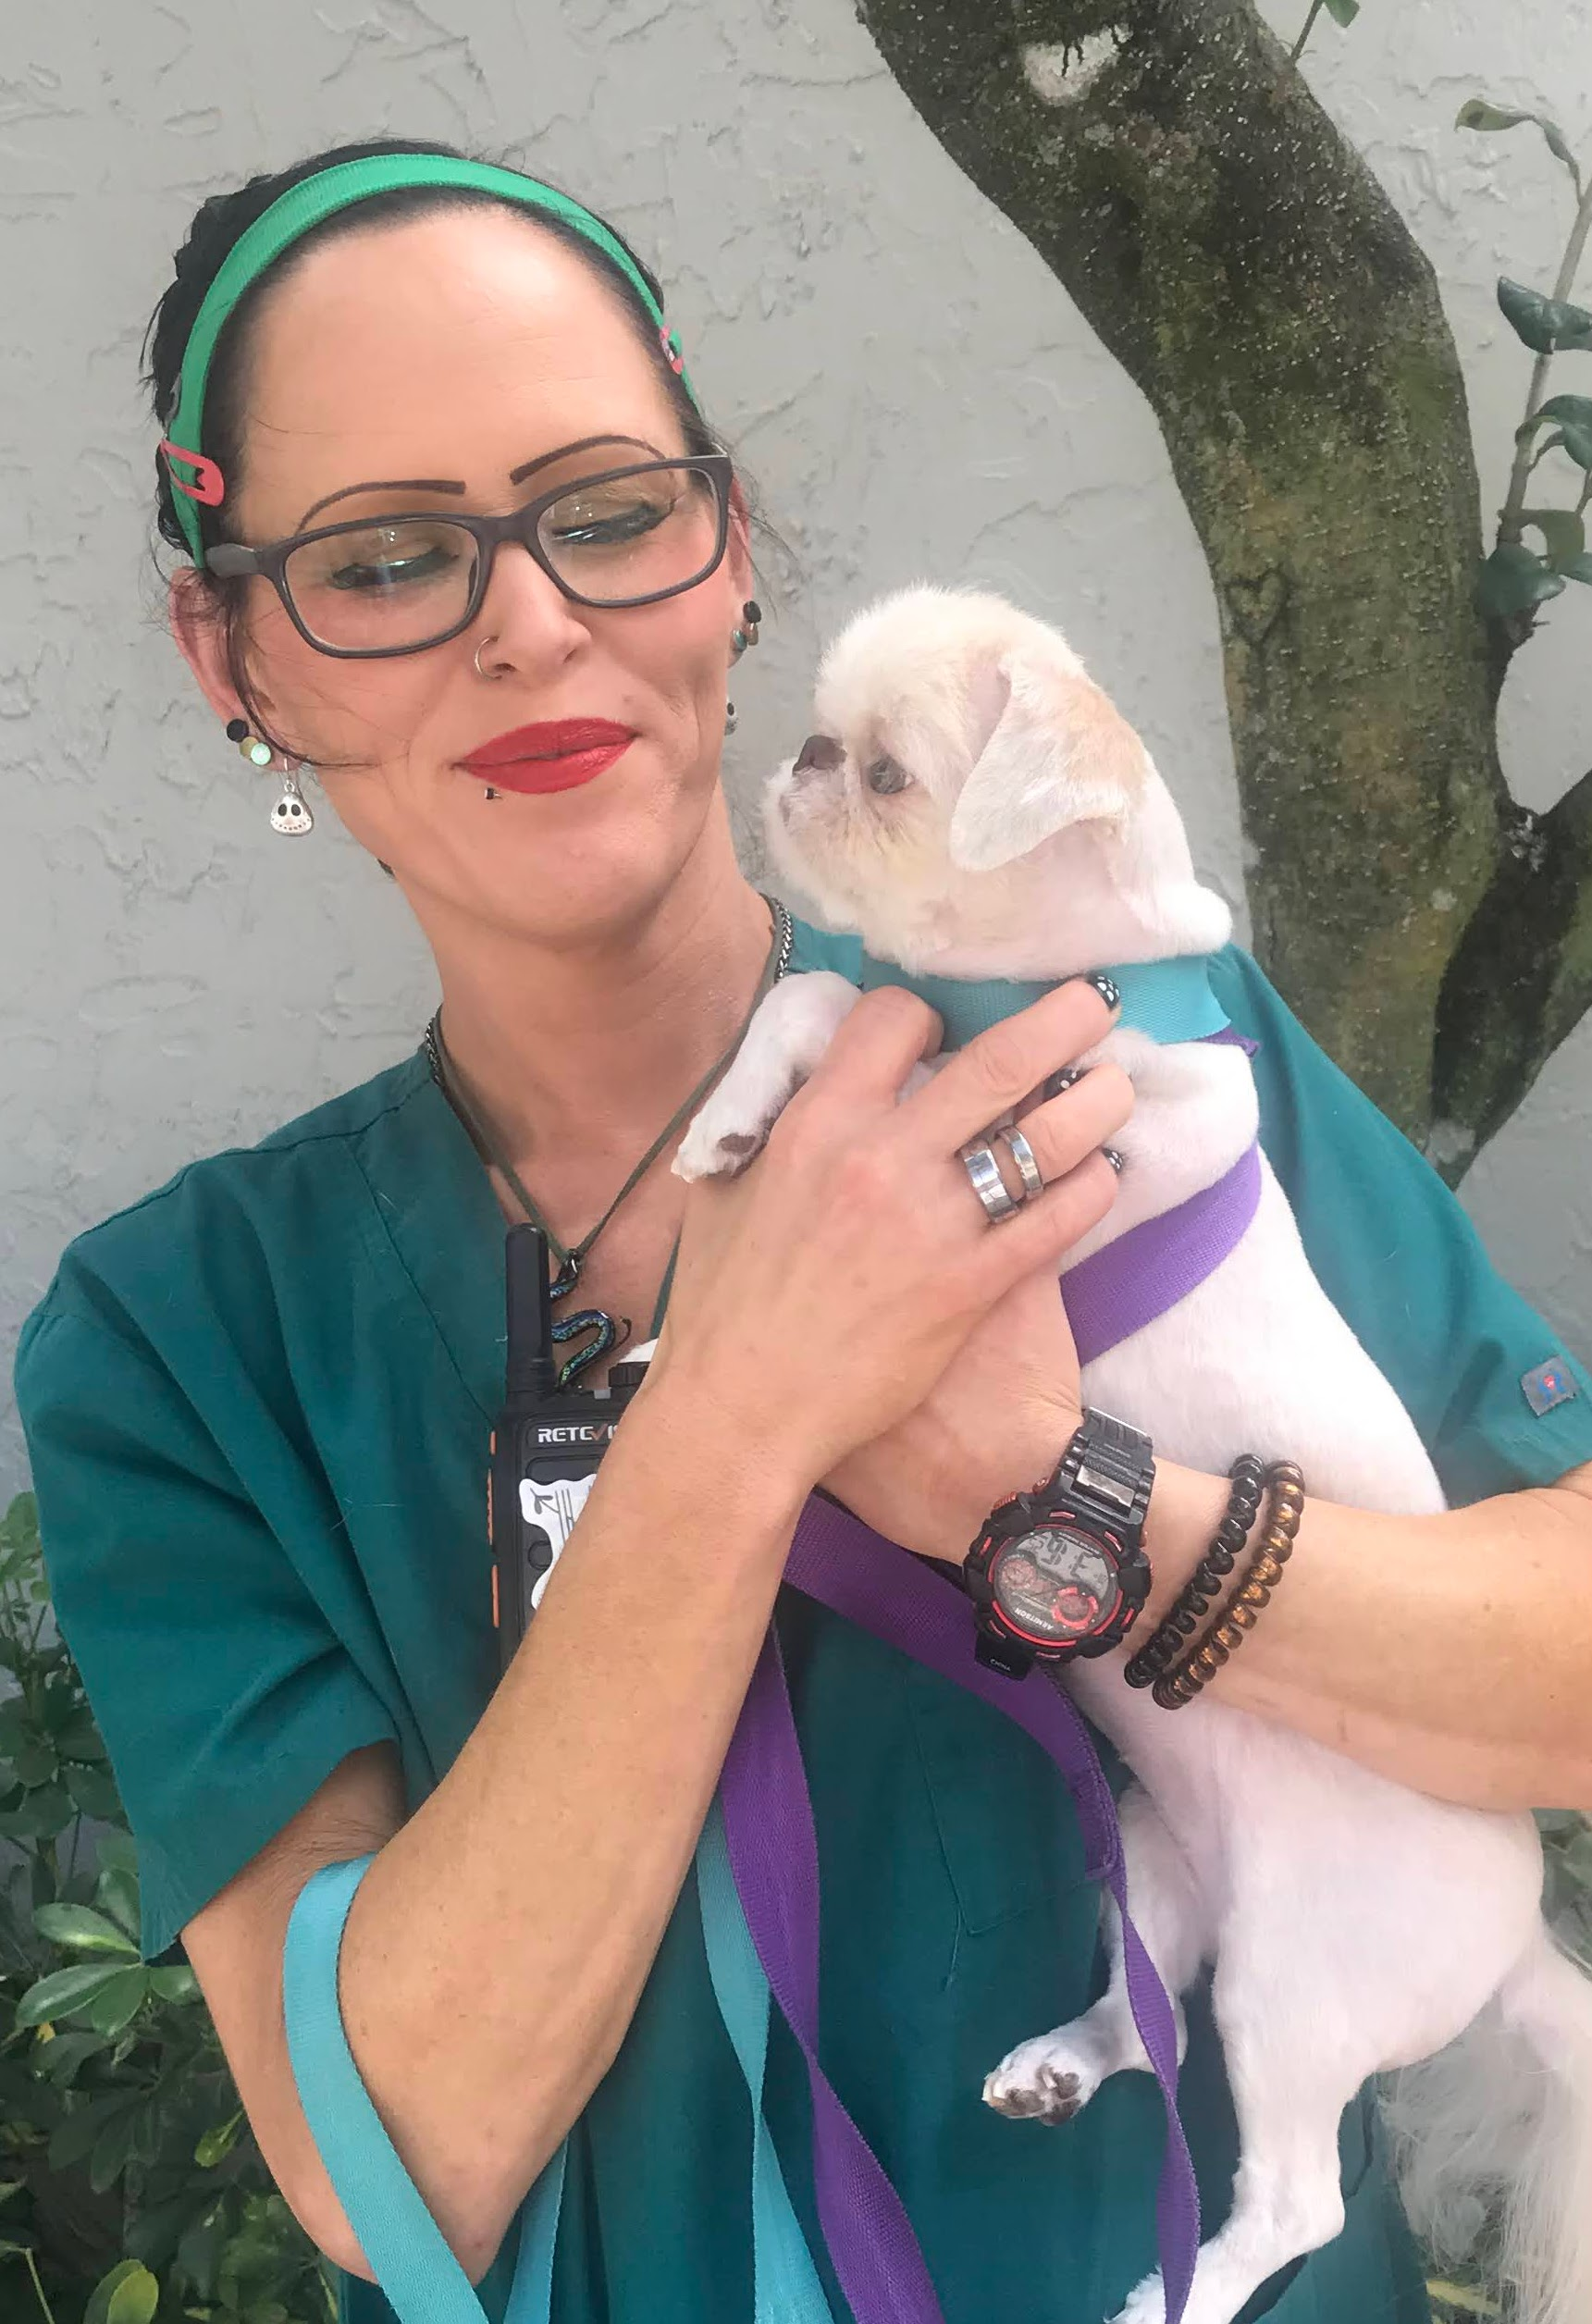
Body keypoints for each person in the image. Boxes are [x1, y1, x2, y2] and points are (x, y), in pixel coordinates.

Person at [14, 133, 1592, 2324]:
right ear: (231, 651)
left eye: (607, 507)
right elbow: (393, 2156)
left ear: (726, 545)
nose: (533, 619)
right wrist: (738, 1408)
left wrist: (1070, 1504)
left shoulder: (1130, 1052)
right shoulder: (185, 1336)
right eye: (383, 558)